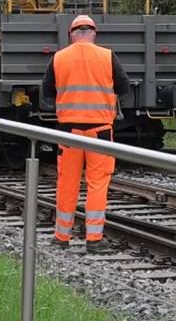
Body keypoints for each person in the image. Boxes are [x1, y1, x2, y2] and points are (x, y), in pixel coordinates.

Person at [41, 14, 130, 253]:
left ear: (71, 35)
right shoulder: (107, 56)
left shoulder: (59, 58)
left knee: (67, 184)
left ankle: (61, 237)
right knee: (97, 184)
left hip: (68, 133)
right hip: (100, 133)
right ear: (93, 33)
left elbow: (47, 94)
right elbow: (124, 88)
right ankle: (94, 239)